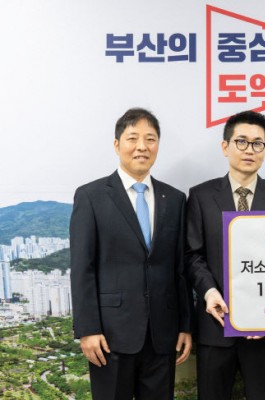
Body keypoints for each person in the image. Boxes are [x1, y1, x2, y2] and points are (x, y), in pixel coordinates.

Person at [70, 108, 192, 399]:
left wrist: (186, 326)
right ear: (117, 145)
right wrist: (87, 329)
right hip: (109, 336)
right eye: (133, 138)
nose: (142, 146)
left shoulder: (175, 199)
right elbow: (82, 267)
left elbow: (180, 269)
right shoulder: (91, 196)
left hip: (163, 335)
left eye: (150, 139)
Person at [186, 110, 265, 400]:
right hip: (215, 324)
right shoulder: (200, 196)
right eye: (241, 141)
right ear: (225, 147)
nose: (250, 150)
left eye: (257, 143)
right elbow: (193, 255)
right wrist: (209, 291)